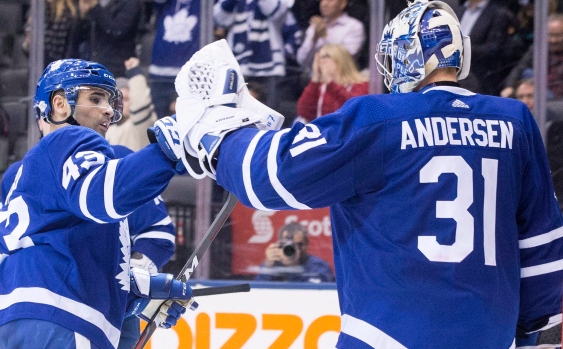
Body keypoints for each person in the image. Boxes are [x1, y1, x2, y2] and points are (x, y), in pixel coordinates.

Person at [156, 1, 563, 347]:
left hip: (385, 333)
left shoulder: (377, 117)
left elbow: (269, 178)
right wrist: (527, 333)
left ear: (407, 56)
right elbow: (542, 245)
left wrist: (217, 135)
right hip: (489, 335)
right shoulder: (515, 122)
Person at [0, 59, 196, 349]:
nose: (109, 109)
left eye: (111, 101)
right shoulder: (71, 140)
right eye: (96, 98)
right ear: (59, 104)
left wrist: (131, 288)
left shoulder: (27, 170)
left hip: (15, 323)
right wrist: (168, 148)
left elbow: (54, 248)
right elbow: (103, 198)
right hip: (64, 316)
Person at [148, 0, 201, 119]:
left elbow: (222, 19)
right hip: (160, 74)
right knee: (159, 124)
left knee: (188, 121)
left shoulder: (202, 4)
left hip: (191, 75)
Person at [296, 44, 368, 123]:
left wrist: (331, 83)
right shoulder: (319, 87)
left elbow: (355, 108)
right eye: (318, 58)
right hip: (323, 133)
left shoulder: (361, 84)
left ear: (340, 59)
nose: (321, 61)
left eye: (326, 56)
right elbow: (304, 112)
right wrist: (315, 80)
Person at [500, 14, 563, 99]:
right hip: (542, 95)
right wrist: (509, 86)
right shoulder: (538, 49)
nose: (553, 40)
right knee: (528, 73)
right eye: (550, 35)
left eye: (558, 35)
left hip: (559, 98)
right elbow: (520, 67)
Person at [77, 0, 142, 77]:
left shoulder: (130, 3)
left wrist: (95, 7)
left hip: (117, 66)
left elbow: (116, 30)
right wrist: (82, 14)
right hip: (93, 62)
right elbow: (84, 34)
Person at [295, 0, 365, 72]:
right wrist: (314, 38)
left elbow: (346, 58)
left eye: (330, 0)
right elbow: (301, 61)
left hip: (342, 79)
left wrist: (324, 37)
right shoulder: (315, 26)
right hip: (316, 78)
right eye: (322, 0)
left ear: (343, 4)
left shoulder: (354, 27)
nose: (324, 4)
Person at [106, 57, 158, 151]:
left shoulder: (140, 126)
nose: (119, 104)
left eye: (125, 99)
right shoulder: (106, 131)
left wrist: (135, 73)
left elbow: (140, 105)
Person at [255, 222, 334, 282]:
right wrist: (267, 267)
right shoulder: (272, 264)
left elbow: (319, 293)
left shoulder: (319, 266)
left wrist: (294, 266)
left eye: (299, 244)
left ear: (307, 244)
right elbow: (258, 293)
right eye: (288, 244)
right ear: (279, 244)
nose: (295, 249)